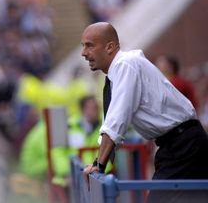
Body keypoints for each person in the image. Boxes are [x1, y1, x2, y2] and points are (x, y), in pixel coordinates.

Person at [81, 22, 208, 203]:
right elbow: (113, 122)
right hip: (178, 144)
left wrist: (98, 166)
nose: (83, 53)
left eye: (89, 45)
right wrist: (98, 163)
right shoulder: (120, 70)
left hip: (183, 146)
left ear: (110, 47)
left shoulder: (126, 66)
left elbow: (115, 123)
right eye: (83, 46)